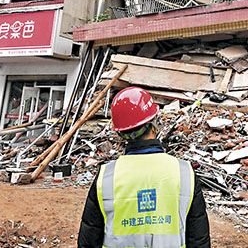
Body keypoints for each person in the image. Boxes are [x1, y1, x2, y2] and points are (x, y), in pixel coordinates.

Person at [77, 87, 211, 248]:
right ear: (154, 124)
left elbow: (89, 241)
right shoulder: (184, 173)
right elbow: (198, 241)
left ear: (121, 134)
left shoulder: (106, 177)